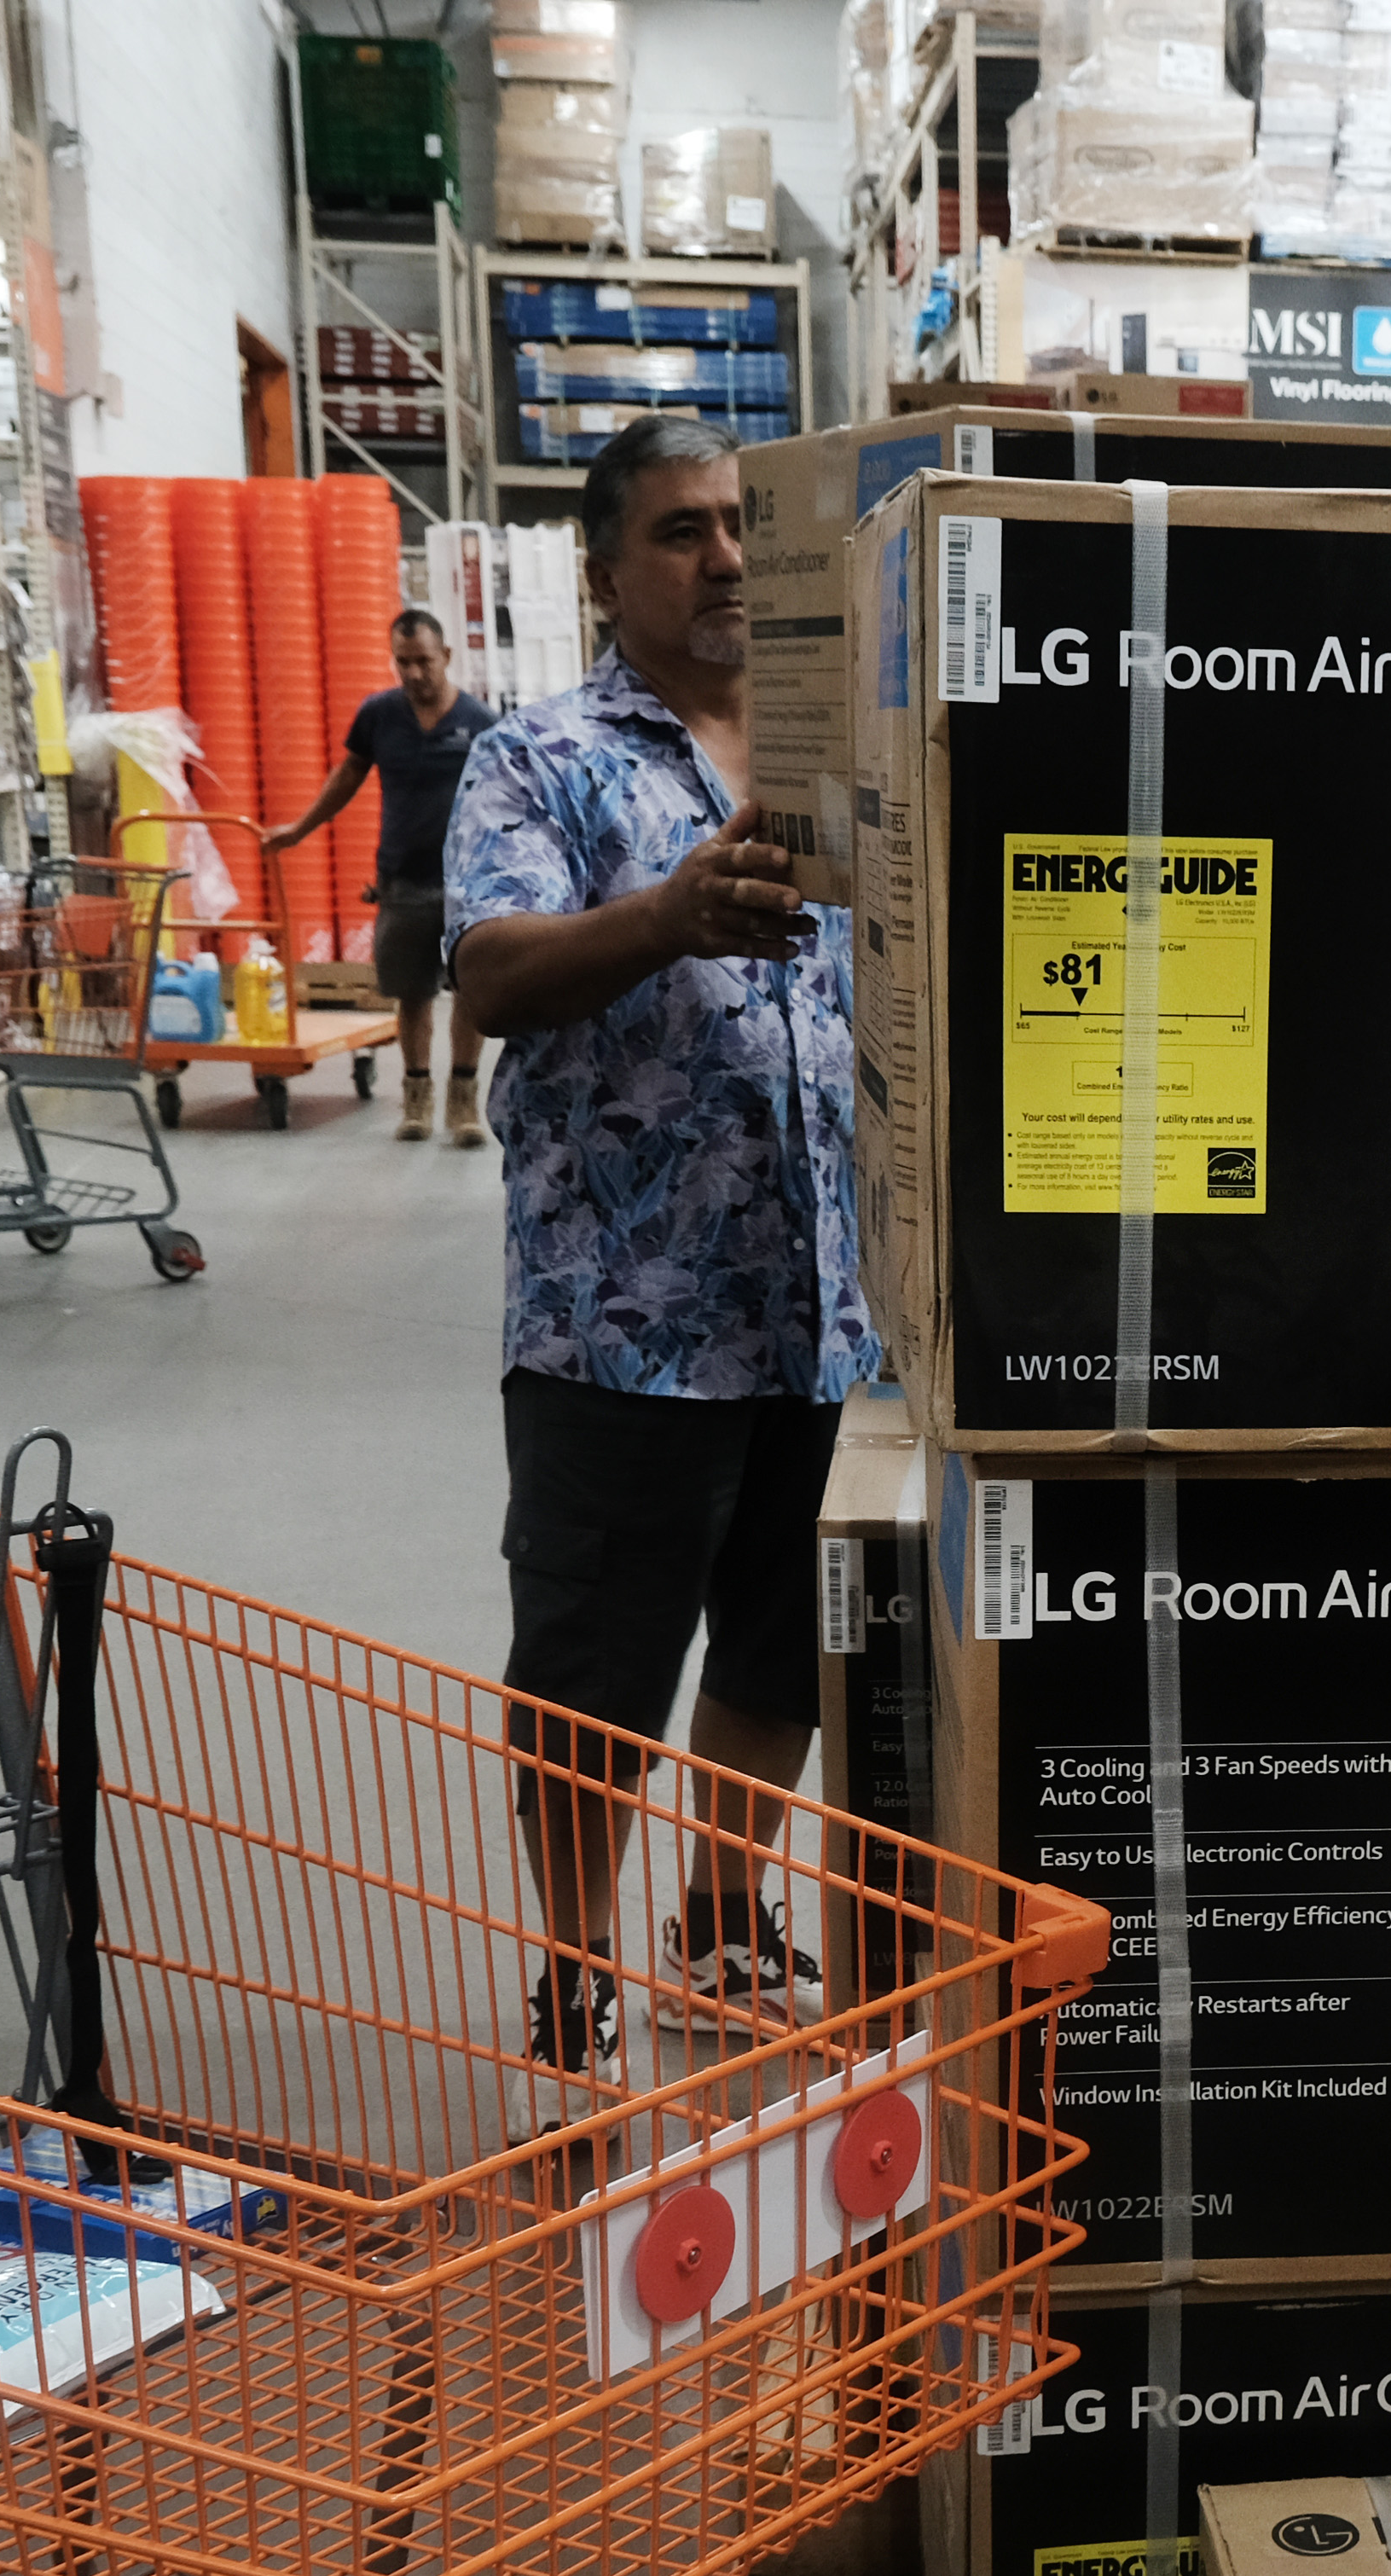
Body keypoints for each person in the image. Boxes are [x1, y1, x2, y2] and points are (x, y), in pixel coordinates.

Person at [444, 413, 862, 2069]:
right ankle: (570, 1962)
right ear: (605, 565)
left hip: (827, 1308)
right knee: (596, 1673)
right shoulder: (538, 759)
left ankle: (723, 1908)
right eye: (684, 531)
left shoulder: (842, 753)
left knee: (784, 1645)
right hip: (624, 1322)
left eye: (745, 527)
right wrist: (665, 916)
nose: (729, 559)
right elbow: (488, 973)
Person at [258, 605, 496, 1141]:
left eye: (423, 662)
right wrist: (300, 829)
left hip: (467, 884)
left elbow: (505, 802)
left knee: (471, 991)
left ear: (447, 658)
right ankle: (416, 1098)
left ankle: (463, 1101)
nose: (412, 673)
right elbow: (348, 776)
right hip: (402, 880)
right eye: (402, 662)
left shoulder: (480, 725)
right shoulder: (379, 715)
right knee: (411, 993)